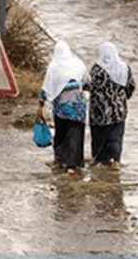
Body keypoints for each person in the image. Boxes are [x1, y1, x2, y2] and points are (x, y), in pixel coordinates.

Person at [37, 41, 88, 175]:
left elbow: (46, 88)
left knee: (61, 133)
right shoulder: (79, 64)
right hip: (78, 108)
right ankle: (74, 164)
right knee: (75, 135)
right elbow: (87, 82)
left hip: (61, 109)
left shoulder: (55, 67)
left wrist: (41, 103)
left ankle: (60, 160)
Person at [84, 42, 136, 170]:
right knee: (116, 137)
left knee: (99, 137)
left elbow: (88, 86)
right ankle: (116, 161)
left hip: (100, 112)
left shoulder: (97, 70)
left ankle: (100, 160)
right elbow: (131, 86)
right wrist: (122, 99)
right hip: (119, 111)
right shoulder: (124, 68)